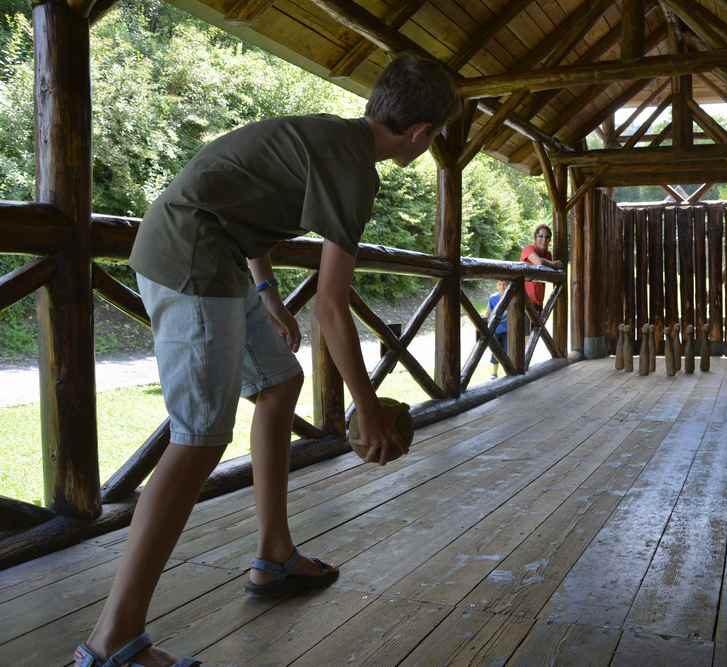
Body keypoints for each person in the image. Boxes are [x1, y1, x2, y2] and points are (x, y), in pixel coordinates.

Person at [74, 55, 459, 667]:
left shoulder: (334, 139)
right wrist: (369, 412)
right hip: (191, 253)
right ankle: (111, 640)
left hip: (215, 251)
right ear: (420, 133)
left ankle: (274, 557)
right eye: (433, 135)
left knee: (280, 383)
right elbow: (332, 308)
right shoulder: (353, 168)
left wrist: (268, 293)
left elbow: (244, 197)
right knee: (199, 439)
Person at [519, 224, 563, 322]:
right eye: (541, 236)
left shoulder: (548, 255)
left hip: (538, 302)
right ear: (535, 237)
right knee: (525, 336)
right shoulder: (528, 249)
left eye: (547, 237)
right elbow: (538, 262)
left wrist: (552, 265)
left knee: (534, 335)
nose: (544, 239)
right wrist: (553, 264)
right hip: (524, 301)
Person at [484, 279, 509, 379]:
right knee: (495, 351)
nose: (502, 286)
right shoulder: (493, 297)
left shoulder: (512, 297)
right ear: (497, 286)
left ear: (507, 285)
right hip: (496, 329)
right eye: (500, 284)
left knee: (508, 351)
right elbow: (488, 313)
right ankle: (494, 373)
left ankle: (509, 371)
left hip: (508, 330)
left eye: (504, 284)